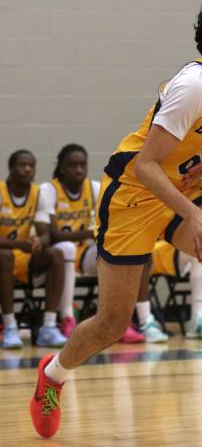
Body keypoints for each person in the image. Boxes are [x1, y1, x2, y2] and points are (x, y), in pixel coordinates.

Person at [30, 0, 202, 438]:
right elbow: (145, 165)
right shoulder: (195, 84)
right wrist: (198, 215)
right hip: (131, 194)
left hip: (182, 190)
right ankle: (52, 375)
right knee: (112, 322)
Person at [38, 144, 147, 343]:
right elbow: (53, 235)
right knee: (66, 248)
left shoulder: (96, 188)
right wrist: (90, 232)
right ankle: (67, 317)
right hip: (60, 258)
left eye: (82, 165)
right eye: (73, 165)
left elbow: (112, 223)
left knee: (120, 250)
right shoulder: (49, 190)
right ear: (62, 168)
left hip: (87, 254)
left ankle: (120, 322)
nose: (79, 169)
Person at [0, 150, 67, 348]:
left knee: (56, 254)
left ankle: (48, 326)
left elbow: (46, 233)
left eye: (31, 165)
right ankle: (10, 326)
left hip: (22, 257)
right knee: (4, 255)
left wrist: (40, 241)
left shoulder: (39, 194)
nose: (28, 169)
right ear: (11, 169)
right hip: (4, 256)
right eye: (22, 165)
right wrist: (18, 245)